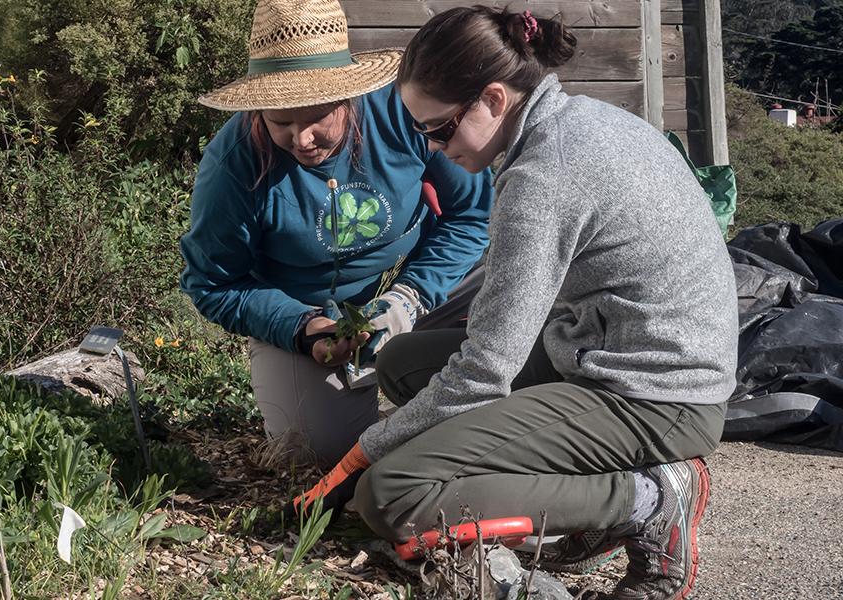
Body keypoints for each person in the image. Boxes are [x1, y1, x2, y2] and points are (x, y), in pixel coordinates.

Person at [290, 7, 737, 600]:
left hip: (656, 396)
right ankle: (577, 501)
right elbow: (490, 353)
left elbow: (484, 371)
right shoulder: (576, 120)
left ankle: (650, 499)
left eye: (440, 129)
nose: (433, 147)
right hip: (608, 353)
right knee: (406, 364)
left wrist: (359, 457)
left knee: (391, 494)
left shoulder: (542, 175)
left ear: (494, 100)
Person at [180, 0, 493, 470]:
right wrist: (303, 328)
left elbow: (472, 216)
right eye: (279, 122)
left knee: (517, 275)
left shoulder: (404, 113)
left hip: (421, 286)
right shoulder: (234, 165)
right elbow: (214, 283)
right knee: (318, 452)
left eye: (315, 118)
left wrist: (410, 296)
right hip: (309, 315)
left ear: (349, 97)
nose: (301, 139)